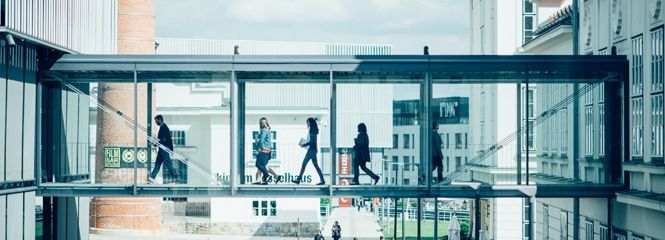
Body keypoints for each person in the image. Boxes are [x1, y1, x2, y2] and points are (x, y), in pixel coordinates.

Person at [292, 118, 325, 185]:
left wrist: (303, 144)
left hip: (312, 150)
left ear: (310, 122)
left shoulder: (312, 130)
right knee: (308, 165)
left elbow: (312, 141)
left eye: (307, 122)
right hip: (312, 150)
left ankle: (322, 180)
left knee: (309, 165)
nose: (307, 124)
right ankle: (299, 180)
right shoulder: (313, 130)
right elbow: (313, 141)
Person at [148, 115, 178, 183]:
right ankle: (152, 178)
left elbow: (165, 139)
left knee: (168, 163)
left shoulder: (164, 127)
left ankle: (175, 177)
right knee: (157, 163)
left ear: (160, 120)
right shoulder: (162, 127)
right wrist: (153, 143)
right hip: (162, 148)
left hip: (164, 148)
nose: (156, 123)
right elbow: (164, 140)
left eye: (156, 121)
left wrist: (155, 141)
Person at [253, 117, 282, 185]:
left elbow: (262, 140)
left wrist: (257, 147)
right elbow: (261, 137)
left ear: (261, 123)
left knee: (258, 164)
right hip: (268, 151)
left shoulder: (264, 130)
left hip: (263, 150)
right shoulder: (268, 130)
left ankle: (267, 176)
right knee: (263, 166)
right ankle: (262, 179)